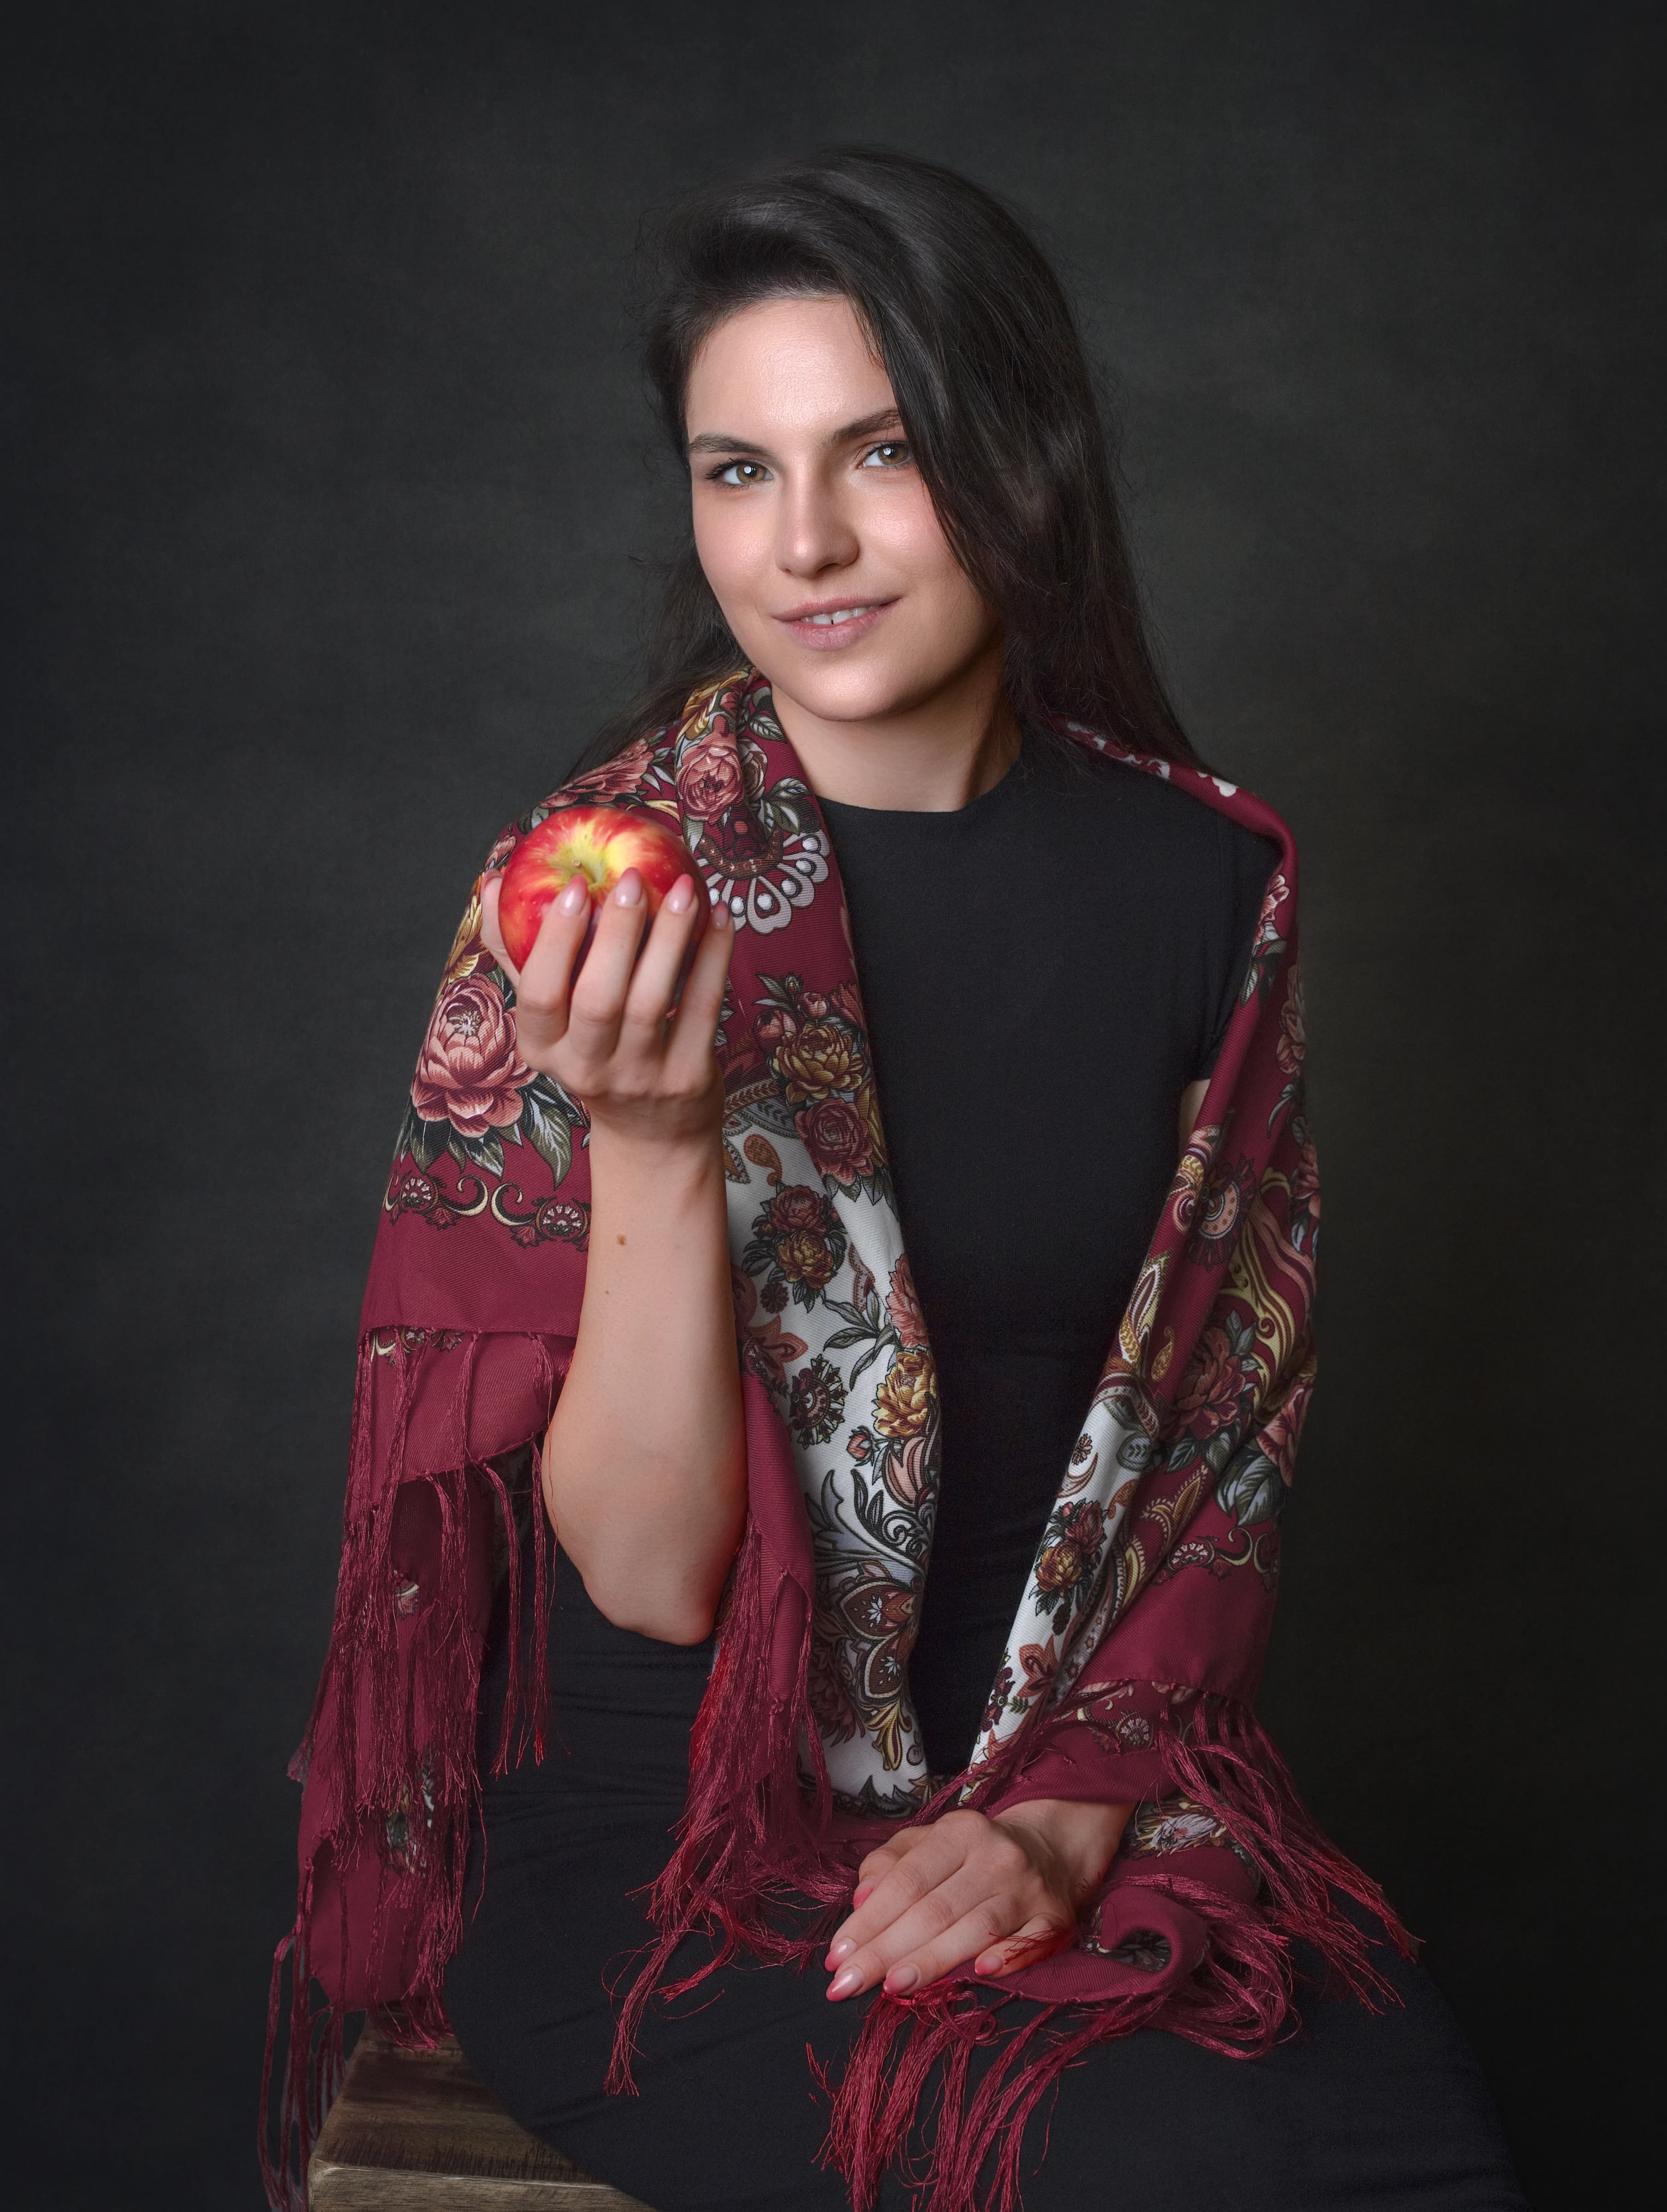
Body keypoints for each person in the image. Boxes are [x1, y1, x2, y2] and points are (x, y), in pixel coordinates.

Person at [271, 148, 1526, 2212]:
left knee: (1403, 2138)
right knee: (1169, 2164)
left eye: (881, 451)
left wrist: (1061, 1825)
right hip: (663, 1859)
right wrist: (666, 1144)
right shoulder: (600, 894)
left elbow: (1218, 1457)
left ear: (1015, 458)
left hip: (1056, 1795)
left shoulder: (1209, 885)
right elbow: (655, 1582)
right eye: (737, 471)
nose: (811, 543)